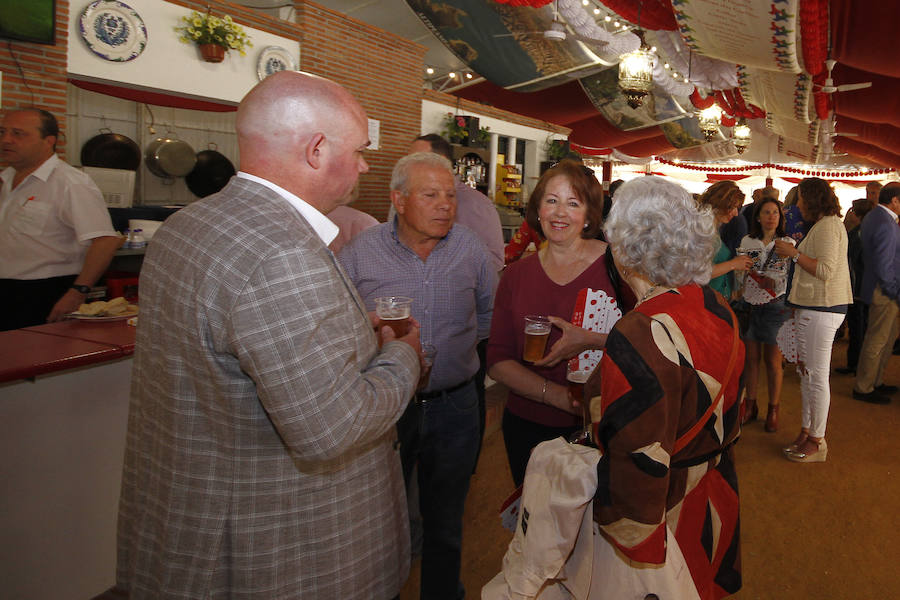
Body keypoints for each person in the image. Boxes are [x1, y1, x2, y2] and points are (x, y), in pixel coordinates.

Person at [116, 71, 422, 600]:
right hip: (283, 552)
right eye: (360, 150)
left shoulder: (188, 224)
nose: (364, 165)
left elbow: (231, 353)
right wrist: (402, 356)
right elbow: (333, 427)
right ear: (317, 149)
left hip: (190, 524)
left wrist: (350, 336)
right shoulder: (283, 253)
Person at [339, 152, 496, 600]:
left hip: (455, 405)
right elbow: (344, 330)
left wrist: (454, 355)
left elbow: (488, 315)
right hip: (385, 410)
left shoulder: (470, 249)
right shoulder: (359, 255)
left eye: (449, 195)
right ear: (399, 200)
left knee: (447, 521)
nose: (445, 205)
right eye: (431, 195)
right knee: (379, 521)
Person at [588, 175, 743, 599]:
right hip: (715, 492)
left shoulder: (639, 331)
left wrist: (632, 537)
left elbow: (638, 460)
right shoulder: (717, 307)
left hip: (668, 517)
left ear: (621, 249)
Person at [487, 160, 626, 487]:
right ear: (538, 210)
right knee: (536, 527)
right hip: (527, 425)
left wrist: (591, 339)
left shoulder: (619, 268)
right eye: (551, 201)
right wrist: (559, 397)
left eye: (573, 203)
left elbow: (652, 336)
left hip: (601, 424)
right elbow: (497, 359)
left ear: (590, 215)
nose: (560, 212)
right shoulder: (516, 275)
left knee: (595, 527)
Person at [407, 133, 503, 468]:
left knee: (465, 394)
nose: (410, 167)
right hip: (421, 331)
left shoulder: (472, 204)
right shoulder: (407, 203)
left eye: (419, 160)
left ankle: (464, 464)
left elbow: (491, 266)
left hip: (464, 326)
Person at [0, 108, 122, 331]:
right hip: (6, 290)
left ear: (49, 141)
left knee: (33, 361)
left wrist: (77, 293)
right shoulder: (5, 179)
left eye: (18, 133)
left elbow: (105, 241)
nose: (6, 140)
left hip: (44, 293)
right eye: (2, 132)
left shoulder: (70, 183)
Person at [774, 177, 852, 463]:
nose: (797, 205)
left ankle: (817, 440)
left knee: (817, 377)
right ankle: (808, 431)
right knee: (807, 374)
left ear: (812, 200)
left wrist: (794, 254)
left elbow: (826, 270)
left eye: (801, 199)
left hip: (824, 307)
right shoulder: (824, 226)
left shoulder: (830, 226)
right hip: (814, 306)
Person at [738, 198, 794, 431]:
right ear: (758, 216)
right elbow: (739, 271)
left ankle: (773, 407)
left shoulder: (787, 243)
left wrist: (774, 281)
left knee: (773, 361)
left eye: (775, 213)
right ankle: (750, 404)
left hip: (775, 304)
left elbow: (790, 275)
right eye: (767, 212)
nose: (771, 216)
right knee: (750, 360)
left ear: (780, 218)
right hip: (750, 303)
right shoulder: (747, 240)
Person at [851, 182, 900, 404]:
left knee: (884, 338)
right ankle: (864, 386)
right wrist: (893, 291)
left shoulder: (875, 216)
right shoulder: (886, 222)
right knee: (878, 339)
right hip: (884, 289)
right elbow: (883, 264)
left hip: (878, 285)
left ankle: (875, 381)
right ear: (895, 200)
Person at [836, 198, 875, 375]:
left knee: (858, 327)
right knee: (862, 326)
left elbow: (853, 263)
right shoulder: (868, 232)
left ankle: (855, 364)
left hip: (856, 287)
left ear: (856, 214)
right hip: (865, 286)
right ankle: (859, 364)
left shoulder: (857, 234)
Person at [697, 180, 752, 300]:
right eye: (733, 207)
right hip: (705, 300)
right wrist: (733, 264)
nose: (736, 213)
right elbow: (699, 273)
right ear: (721, 204)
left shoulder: (711, 228)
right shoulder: (703, 232)